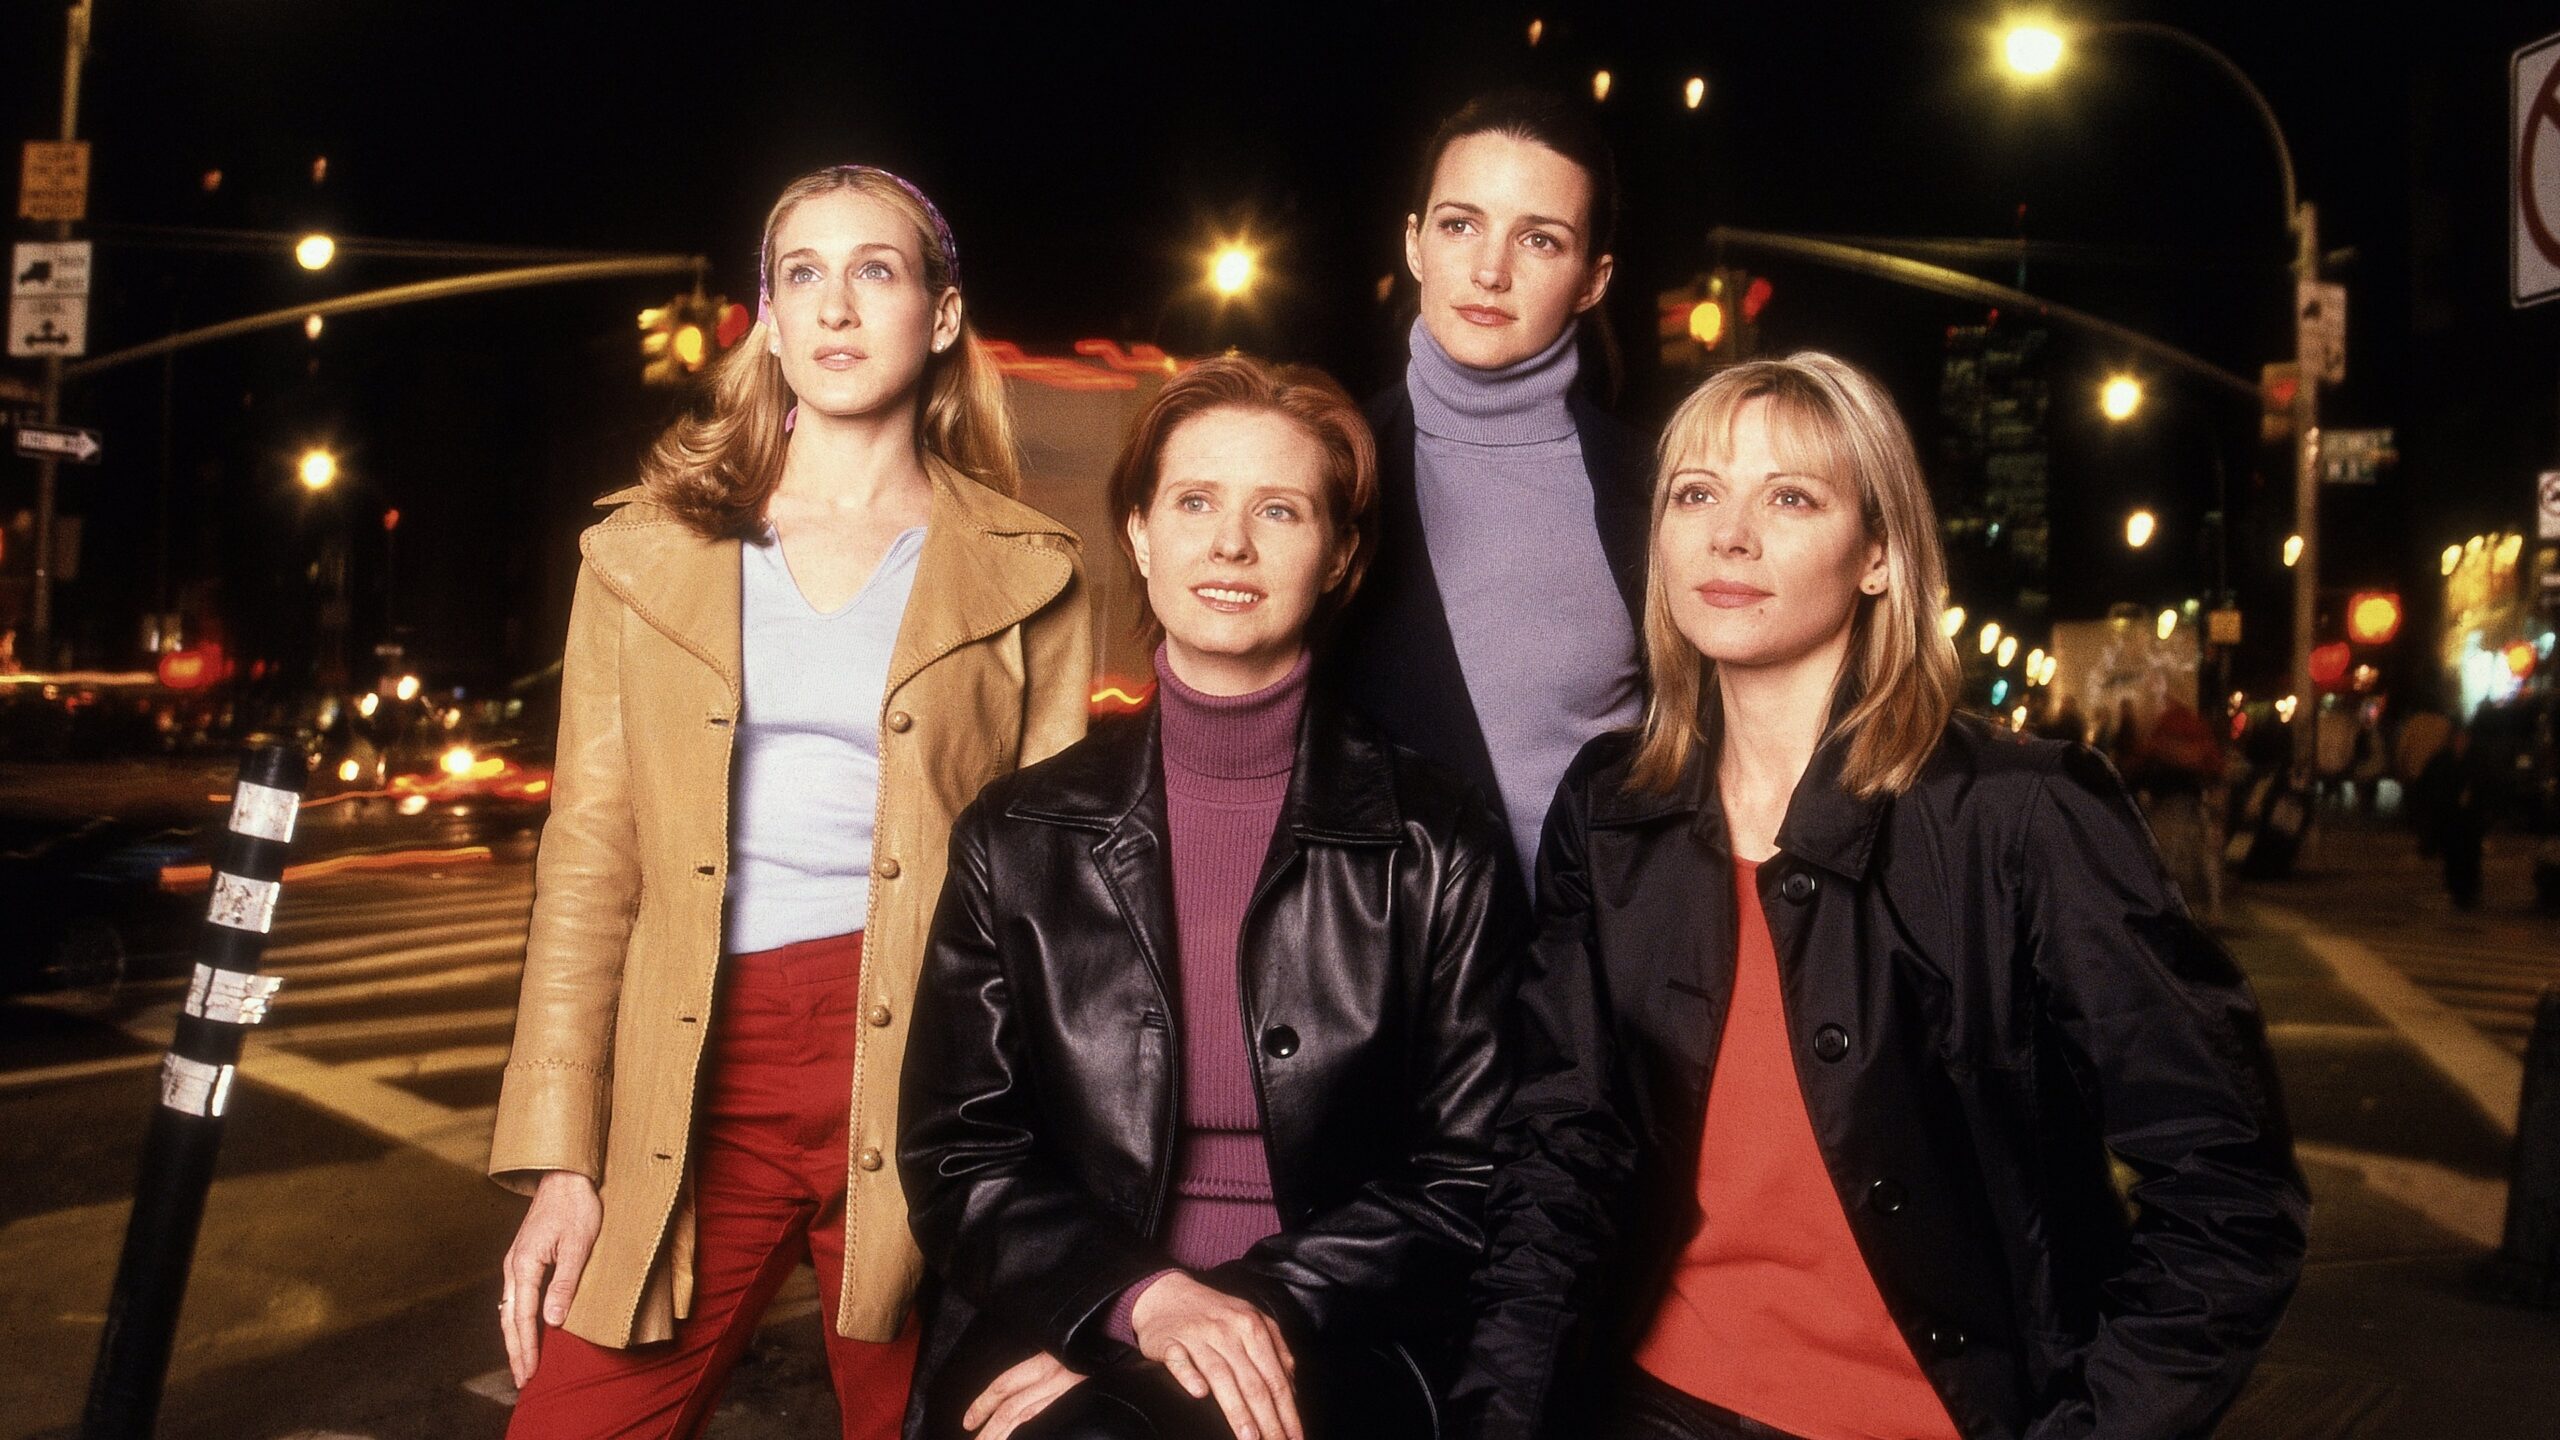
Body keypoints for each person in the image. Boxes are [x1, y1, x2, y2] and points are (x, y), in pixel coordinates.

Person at [1456, 353, 2307, 1440]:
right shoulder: (1614, 805)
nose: (1729, 535)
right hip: (1654, 1407)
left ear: (1877, 556)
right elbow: (1561, 1152)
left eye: (1791, 498)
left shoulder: (2022, 816)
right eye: (1696, 493)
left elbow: (2230, 1195)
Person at [487, 164, 1091, 1439]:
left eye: (875, 270)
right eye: (801, 274)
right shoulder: (642, 553)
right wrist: (563, 1155)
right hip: (703, 1067)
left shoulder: (1031, 574)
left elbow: (1060, 908)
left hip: (939, 1070)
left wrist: (1065, 1192)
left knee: (935, 1423)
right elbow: (590, 860)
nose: (835, 305)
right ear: (767, 317)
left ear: (940, 314)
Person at [899, 356, 1523, 1440]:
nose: (1230, 544)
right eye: (1195, 502)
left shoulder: (1436, 837)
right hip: (1074, 1308)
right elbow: (961, 1156)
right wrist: (1133, 1307)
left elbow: (1468, 1173)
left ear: (1340, 556)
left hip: (1332, 1329)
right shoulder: (1018, 834)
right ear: (1140, 533)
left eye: (1279, 510)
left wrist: (1233, 1311)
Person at [1325, 89, 1651, 882]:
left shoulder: (1660, 488)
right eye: (1460, 225)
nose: (1489, 271)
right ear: (1414, 244)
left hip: (1603, 949)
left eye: (1539, 239)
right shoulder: (1329, 471)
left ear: (1592, 279)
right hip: (1386, 945)